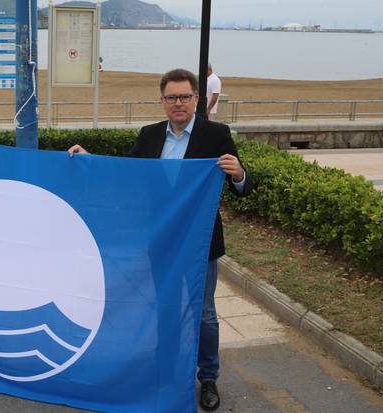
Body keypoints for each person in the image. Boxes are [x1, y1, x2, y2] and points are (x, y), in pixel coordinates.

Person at [68, 68, 253, 412]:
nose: (178, 103)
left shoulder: (216, 135)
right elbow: (128, 175)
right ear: (162, 101)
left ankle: (208, 376)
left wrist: (239, 174)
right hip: (161, 240)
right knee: (165, 305)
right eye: (172, 98)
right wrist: (88, 161)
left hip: (200, 244)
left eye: (185, 97)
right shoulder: (150, 135)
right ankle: (168, 367)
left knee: (205, 314)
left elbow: (240, 187)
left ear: (197, 99)